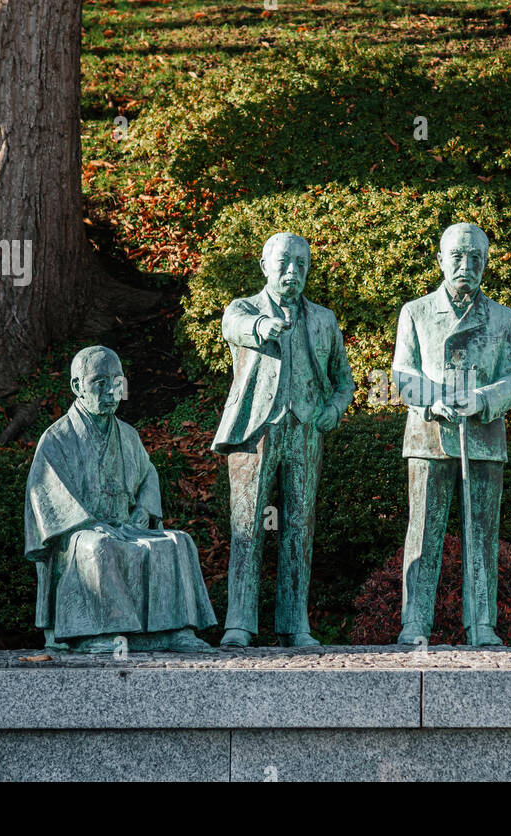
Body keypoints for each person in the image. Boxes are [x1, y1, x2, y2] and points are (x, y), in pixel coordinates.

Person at [212, 232, 355, 648]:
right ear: (264, 265)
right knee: (248, 524)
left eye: (301, 265)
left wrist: (333, 410)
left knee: (298, 526)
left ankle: (295, 624)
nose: (293, 272)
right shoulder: (243, 309)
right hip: (256, 432)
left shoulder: (324, 319)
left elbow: (343, 382)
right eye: (284, 263)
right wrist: (262, 325)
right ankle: (239, 622)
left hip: (305, 431)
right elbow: (233, 327)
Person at [25, 346, 216, 653]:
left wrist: (143, 510)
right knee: (98, 547)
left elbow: (148, 474)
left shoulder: (127, 435)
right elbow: (46, 495)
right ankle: (99, 633)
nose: (111, 391)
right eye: (99, 382)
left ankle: (175, 631)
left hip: (125, 527)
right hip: (77, 535)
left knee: (178, 541)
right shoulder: (57, 438)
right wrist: (90, 525)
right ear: (77, 387)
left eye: (116, 382)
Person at [392, 223, 511, 647]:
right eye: (457, 257)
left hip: (484, 438)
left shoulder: (503, 318)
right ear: (440, 260)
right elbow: (402, 373)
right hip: (430, 436)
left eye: (476, 258)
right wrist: (433, 401)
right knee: (424, 531)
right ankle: (414, 623)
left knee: (482, 534)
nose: (466, 265)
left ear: (486, 263)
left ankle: (482, 623)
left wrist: (482, 400)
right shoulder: (415, 312)